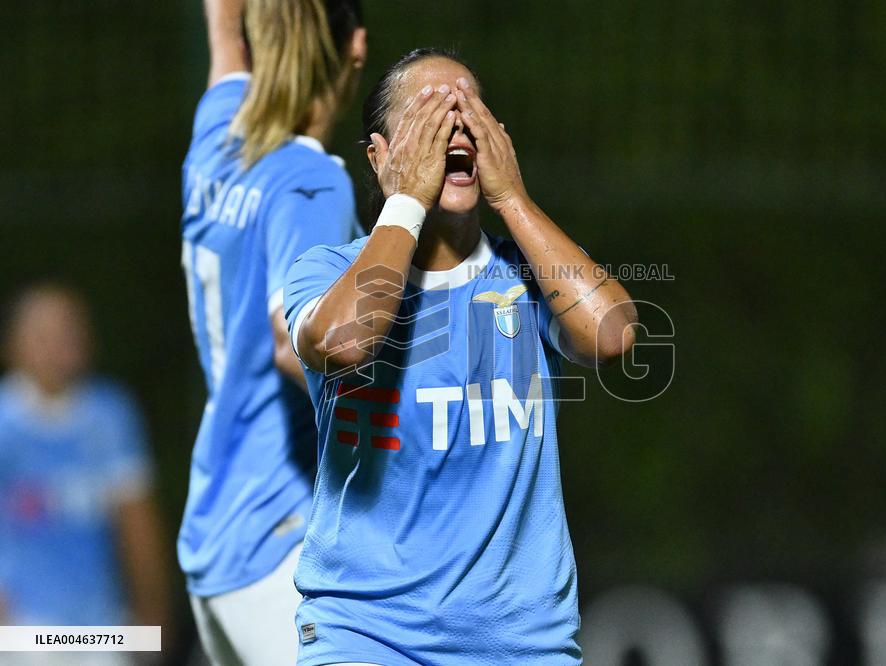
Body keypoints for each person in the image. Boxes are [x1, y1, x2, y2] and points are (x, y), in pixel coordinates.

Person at [284, 48, 639, 665]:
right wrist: (407, 202)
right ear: (379, 156)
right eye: (429, 117)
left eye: (469, 114)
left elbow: (612, 337)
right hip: (367, 634)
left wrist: (514, 200)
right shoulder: (327, 273)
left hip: (522, 645)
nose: (454, 132)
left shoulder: (532, 273)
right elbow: (345, 341)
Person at [180, 0, 366, 663]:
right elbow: (294, 342)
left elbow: (223, 37)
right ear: (356, 46)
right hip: (281, 540)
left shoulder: (217, 136)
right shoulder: (311, 181)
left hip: (217, 529)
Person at [0, 285, 171, 665]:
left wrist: (153, 611)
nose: (60, 345)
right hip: (21, 627)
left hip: (100, 625)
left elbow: (136, 521)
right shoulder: (5, 422)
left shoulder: (109, 415)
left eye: (70, 330)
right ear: (13, 345)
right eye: (43, 335)